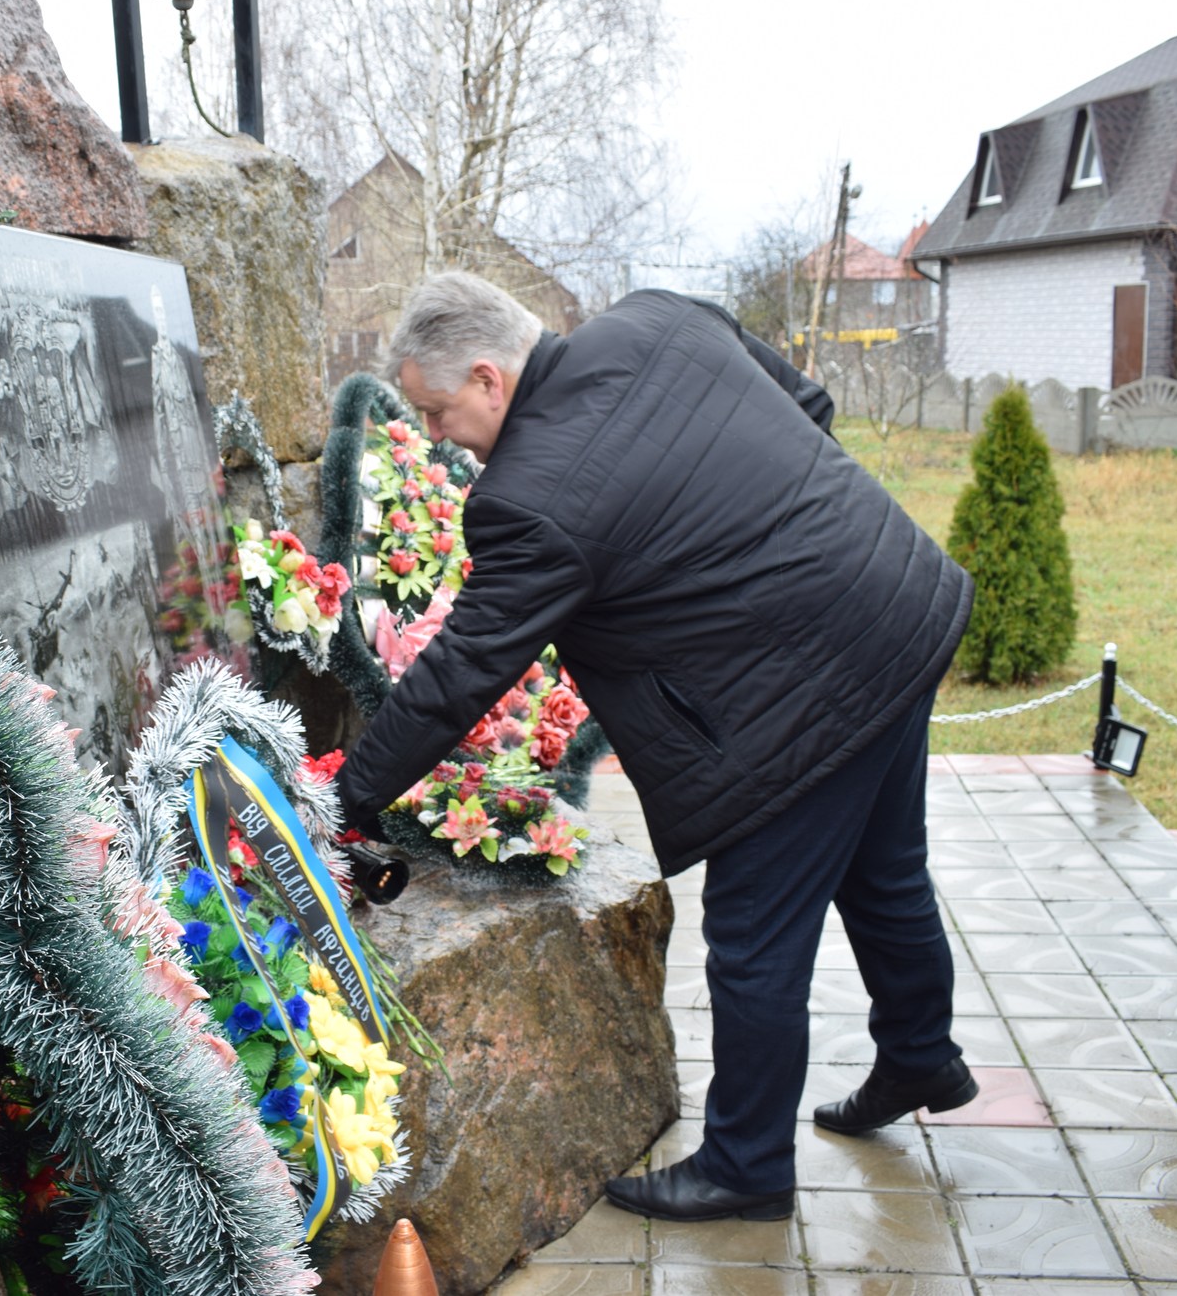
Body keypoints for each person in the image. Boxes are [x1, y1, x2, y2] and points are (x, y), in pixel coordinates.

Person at [334, 272, 976, 1223]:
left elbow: (462, 671)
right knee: (884, 869)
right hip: (896, 602)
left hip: (798, 693)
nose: (436, 435)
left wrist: (346, 796)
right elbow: (806, 406)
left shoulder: (530, 496)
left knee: (754, 937)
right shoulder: (660, 315)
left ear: (488, 377)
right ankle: (921, 1054)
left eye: (437, 411)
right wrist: (783, 539)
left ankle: (748, 1165)